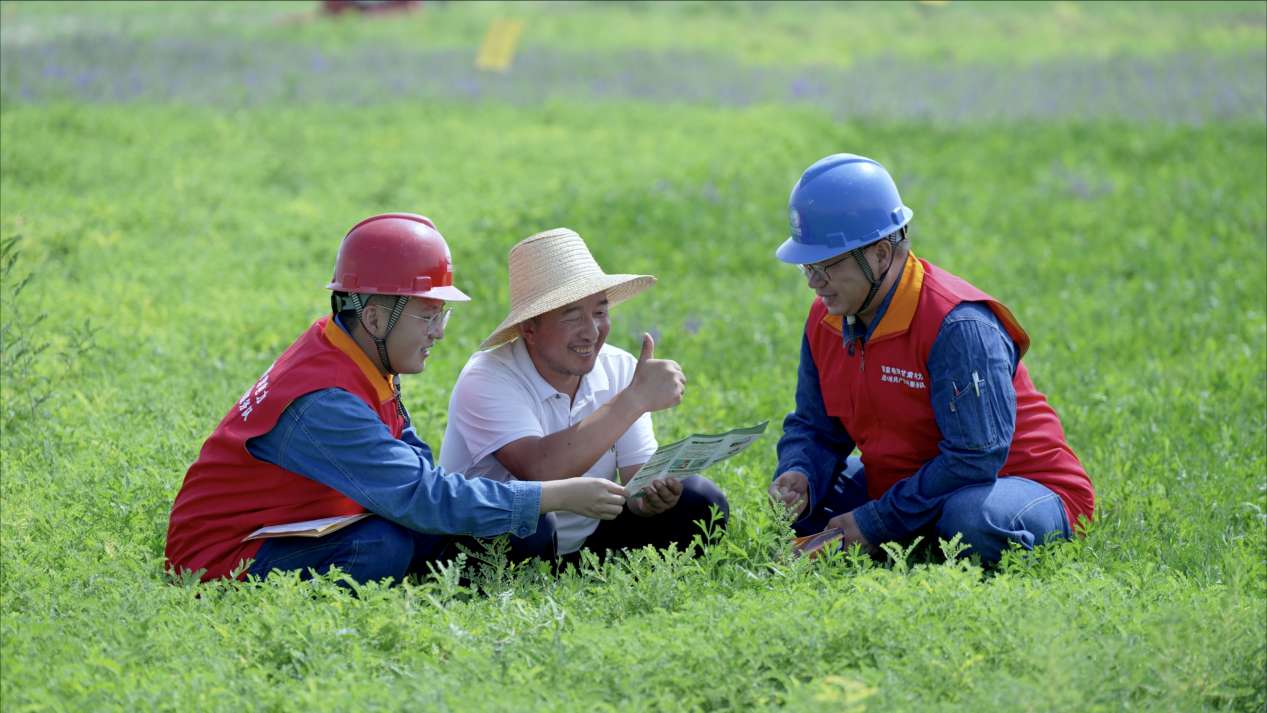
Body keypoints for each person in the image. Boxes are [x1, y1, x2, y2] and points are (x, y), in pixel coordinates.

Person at [164, 213, 626, 584]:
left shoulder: (350, 352)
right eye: (428, 314)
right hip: (223, 561)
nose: (439, 332)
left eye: (441, 314)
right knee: (384, 543)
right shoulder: (324, 399)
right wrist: (552, 495)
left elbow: (415, 467)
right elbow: (420, 496)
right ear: (374, 318)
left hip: (305, 526)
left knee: (490, 530)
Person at [769, 154, 1095, 565]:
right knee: (810, 505)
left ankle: (920, 539)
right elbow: (815, 426)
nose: (815, 282)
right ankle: (913, 537)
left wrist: (875, 522)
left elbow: (973, 460)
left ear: (880, 255)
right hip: (911, 484)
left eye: (828, 265)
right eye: (807, 266)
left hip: (1013, 485)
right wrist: (800, 473)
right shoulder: (826, 317)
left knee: (968, 521)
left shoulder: (957, 325)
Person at [441, 228, 729, 562]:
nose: (592, 331)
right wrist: (634, 399)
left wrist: (650, 499)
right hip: (499, 544)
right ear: (529, 328)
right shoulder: (488, 376)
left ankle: (601, 573)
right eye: (572, 314)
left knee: (699, 500)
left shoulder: (619, 366)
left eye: (600, 312)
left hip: (591, 541)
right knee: (528, 522)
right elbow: (538, 470)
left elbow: (636, 483)